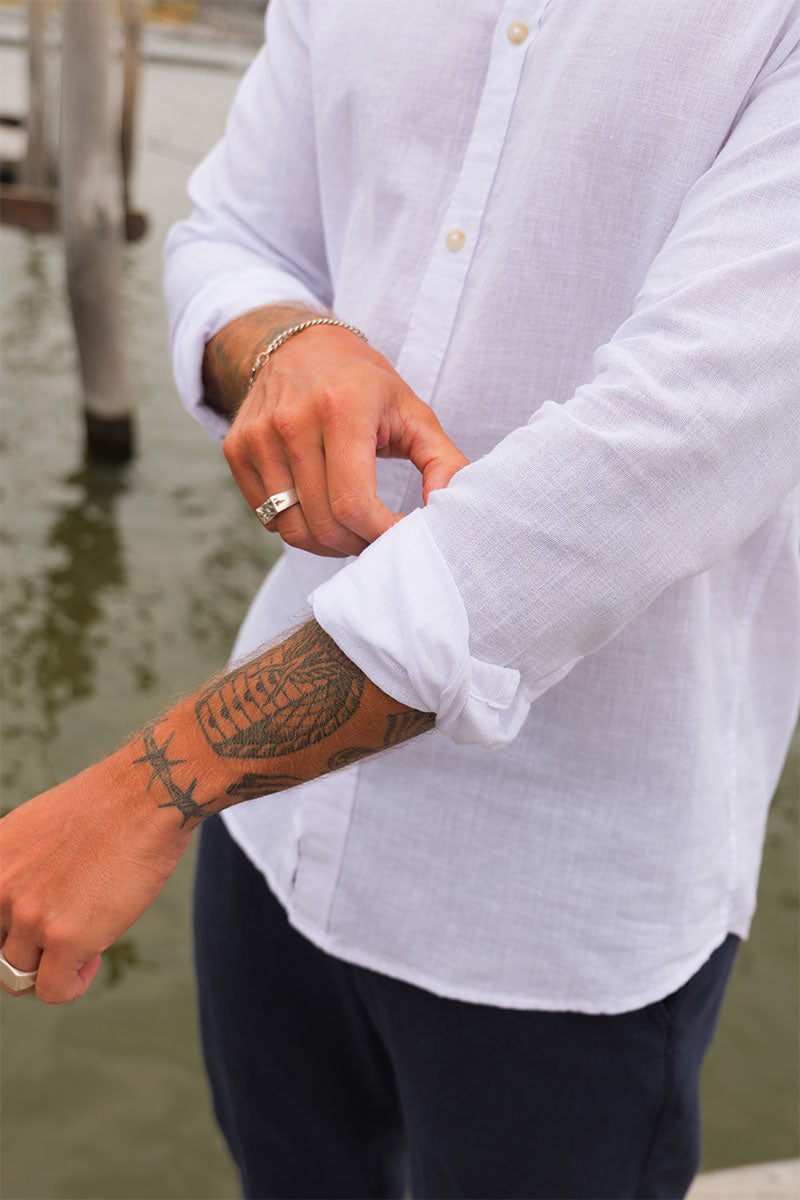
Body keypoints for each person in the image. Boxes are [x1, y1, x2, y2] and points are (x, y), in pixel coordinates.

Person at [2, 1, 799, 1196]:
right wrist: (286, 341)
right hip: (273, 847)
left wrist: (156, 785)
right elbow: (230, 234)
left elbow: (665, 450)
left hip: (562, 909)